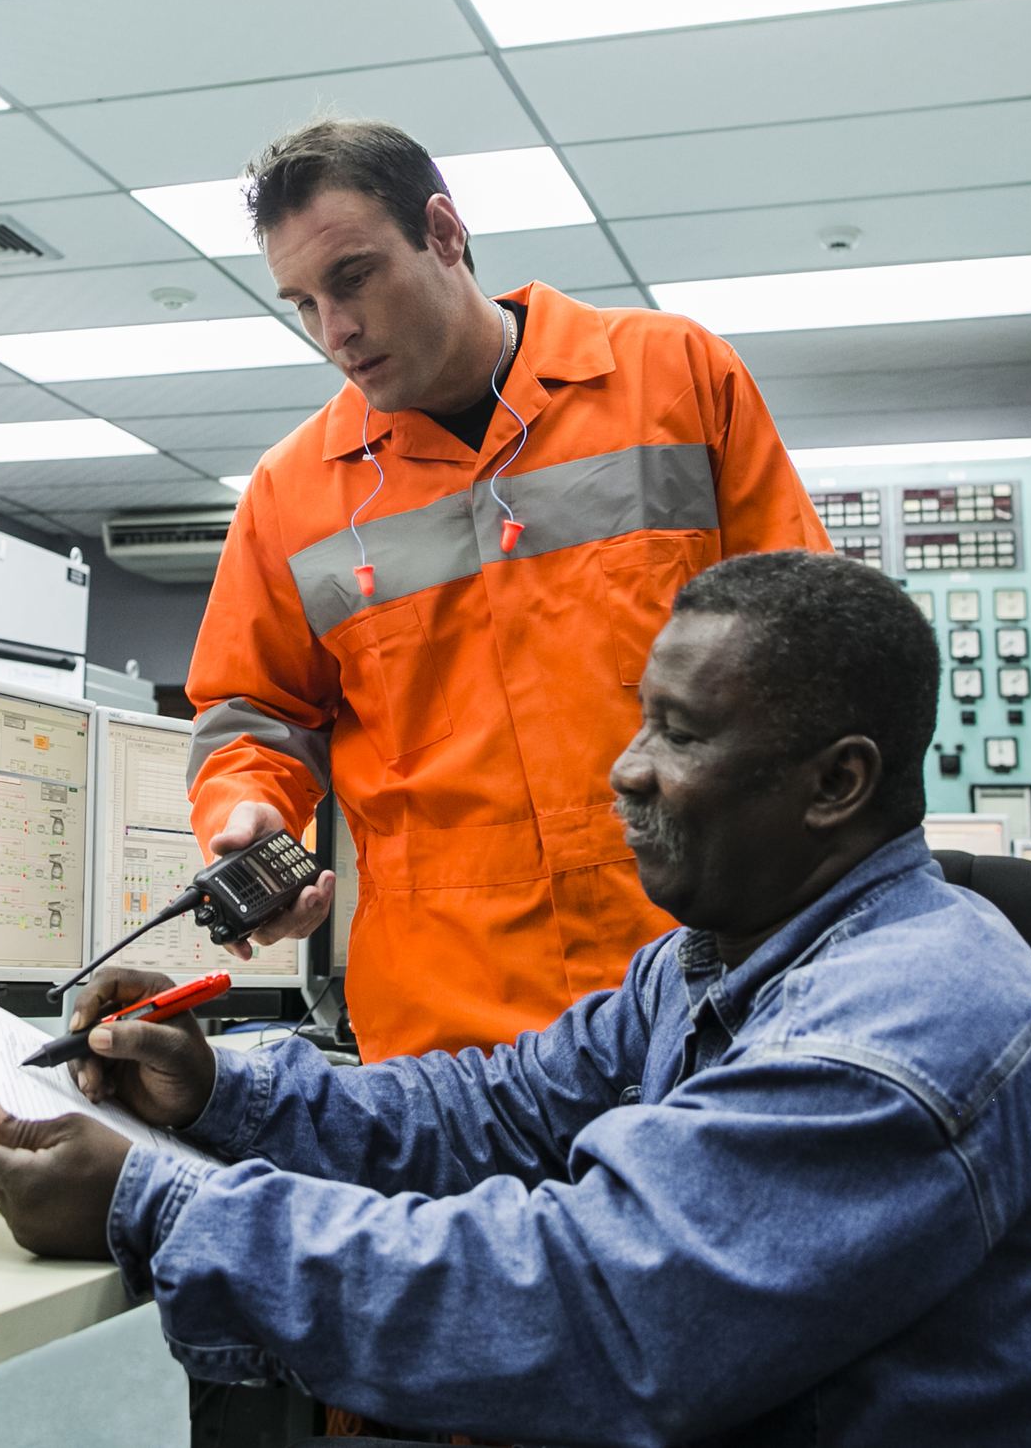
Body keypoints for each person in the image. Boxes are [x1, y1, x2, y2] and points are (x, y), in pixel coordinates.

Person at [0, 551, 1031, 1446]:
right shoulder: (719, 957)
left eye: (680, 735)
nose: (627, 767)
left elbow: (597, 1306)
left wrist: (164, 1206)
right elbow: (493, 1107)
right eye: (642, 719)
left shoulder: (895, 1031)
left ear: (835, 783)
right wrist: (219, 1087)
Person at [187, 116, 830, 1061]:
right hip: (448, 1046)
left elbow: (815, 651)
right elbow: (250, 715)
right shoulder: (293, 494)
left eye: (354, 276)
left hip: (710, 989)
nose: (337, 331)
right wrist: (246, 813)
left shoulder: (675, 379)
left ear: (444, 233)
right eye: (303, 302)